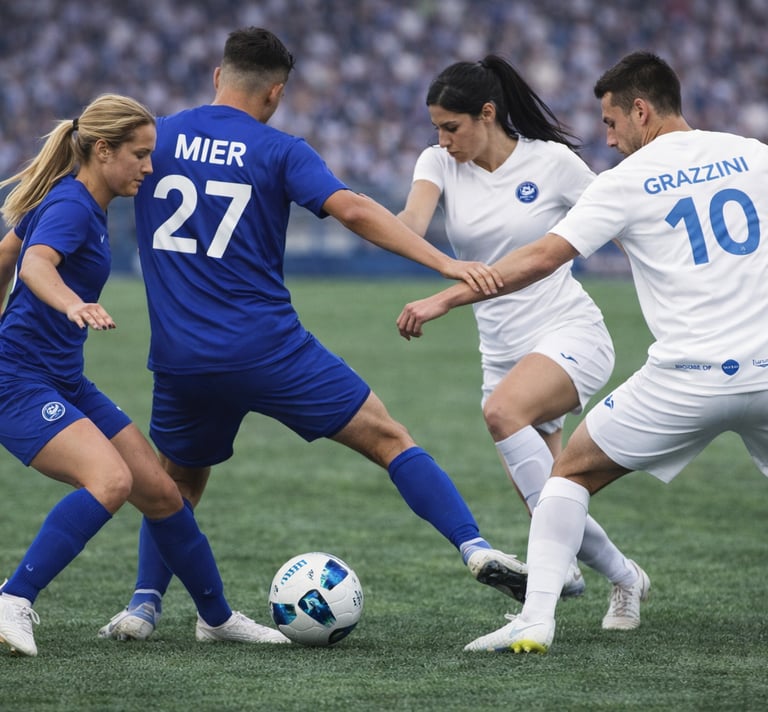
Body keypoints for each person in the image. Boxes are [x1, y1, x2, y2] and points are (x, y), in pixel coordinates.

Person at [98, 27, 526, 642]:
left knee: (176, 486)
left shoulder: (152, 137)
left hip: (182, 356)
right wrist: (445, 263)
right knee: (388, 438)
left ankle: (143, 608)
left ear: (218, 76)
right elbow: (352, 209)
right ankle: (474, 546)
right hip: (269, 348)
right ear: (275, 93)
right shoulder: (279, 148)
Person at [398, 50, 768, 653]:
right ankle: (623, 578)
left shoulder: (609, 178)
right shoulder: (755, 154)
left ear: (641, 112)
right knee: (551, 492)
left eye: (612, 123)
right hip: (758, 368)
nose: (610, 139)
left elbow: (550, 254)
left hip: (651, 362)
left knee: (565, 475)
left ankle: (535, 618)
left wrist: (445, 297)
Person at [0, 94, 288, 657]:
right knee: (110, 482)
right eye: (140, 154)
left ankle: (217, 618)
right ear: (103, 151)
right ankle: (13, 597)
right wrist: (69, 304)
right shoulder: (73, 206)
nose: (150, 168)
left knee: (160, 491)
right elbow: (34, 264)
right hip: (19, 381)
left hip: (63, 377)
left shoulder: (77, 199)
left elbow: (7, 254)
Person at [396, 55, 647, 621]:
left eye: (451, 126)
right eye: (435, 126)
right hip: (502, 354)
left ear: (487, 113)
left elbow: (623, 223)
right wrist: (350, 210)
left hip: (569, 332)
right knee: (559, 496)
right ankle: (622, 578)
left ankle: (564, 588)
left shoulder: (553, 163)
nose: (442, 138)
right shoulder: (438, 161)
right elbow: (409, 224)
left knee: (502, 413)